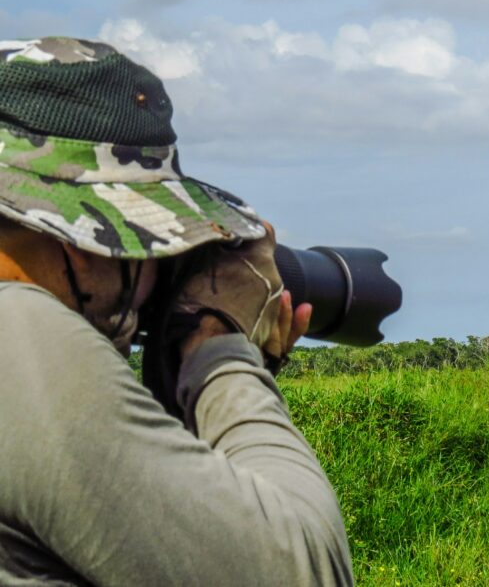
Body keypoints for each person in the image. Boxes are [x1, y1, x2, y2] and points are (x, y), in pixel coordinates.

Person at [0, 37, 354, 586]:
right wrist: (220, 351)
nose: (154, 272)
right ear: (78, 243)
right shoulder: (18, 334)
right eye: (146, 246)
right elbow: (301, 571)